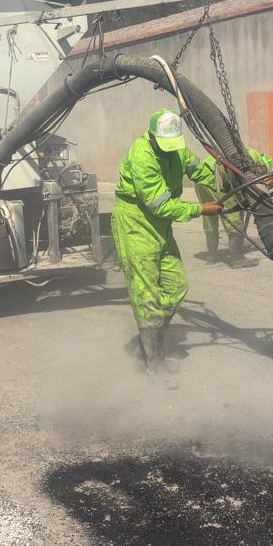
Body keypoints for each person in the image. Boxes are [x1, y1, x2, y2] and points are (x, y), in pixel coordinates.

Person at [112, 108, 221, 389]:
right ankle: (154, 363)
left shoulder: (176, 148)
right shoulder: (143, 156)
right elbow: (159, 205)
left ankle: (146, 347)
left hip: (160, 227)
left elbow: (200, 171)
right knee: (146, 296)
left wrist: (232, 180)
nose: (171, 148)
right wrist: (200, 209)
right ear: (152, 136)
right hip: (136, 224)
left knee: (176, 286)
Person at [193, 145, 272, 267]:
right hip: (217, 179)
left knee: (209, 214)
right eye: (263, 171)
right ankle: (237, 260)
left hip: (201, 179)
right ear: (261, 165)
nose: (259, 175)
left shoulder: (245, 151)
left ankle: (212, 257)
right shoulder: (253, 156)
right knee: (234, 215)